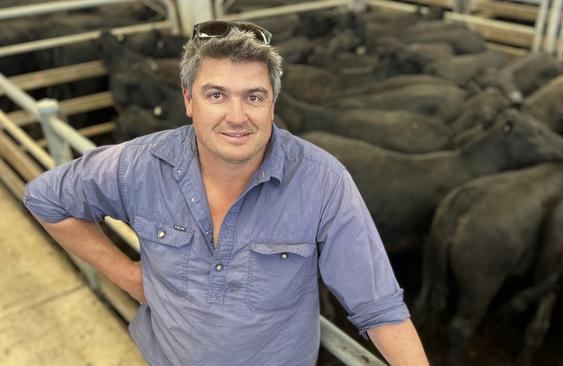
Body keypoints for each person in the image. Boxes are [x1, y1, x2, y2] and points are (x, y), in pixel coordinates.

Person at [23, 20, 429, 366]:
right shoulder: (139, 164)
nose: (237, 117)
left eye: (254, 96)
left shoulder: (322, 181)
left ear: (272, 104)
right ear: (188, 100)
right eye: (216, 95)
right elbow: (45, 198)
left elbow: (379, 307)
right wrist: (127, 275)